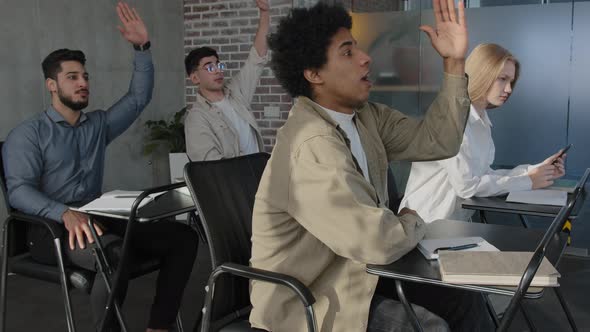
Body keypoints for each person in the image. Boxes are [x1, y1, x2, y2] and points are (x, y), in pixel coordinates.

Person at [249, 1, 494, 331]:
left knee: (465, 296)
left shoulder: (366, 118)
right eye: (347, 52)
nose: (365, 57)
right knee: (425, 326)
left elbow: (438, 141)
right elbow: (376, 242)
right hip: (312, 297)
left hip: (360, 273)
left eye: (358, 47)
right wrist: (410, 219)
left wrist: (454, 62)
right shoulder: (309, 146)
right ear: (313, 74)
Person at [1, 3, 197, 332]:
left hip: (96, 218)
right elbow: (19, 191)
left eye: (85, 77)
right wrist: (65, 213)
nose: (83, 83)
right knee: (113, 255)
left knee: (183, 238)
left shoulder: (97, 125)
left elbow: (138, 98)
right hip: (47, 230)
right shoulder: (28, 134)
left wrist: (142, 48)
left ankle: (159, 327)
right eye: (72, 77)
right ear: (52, 85)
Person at [400, 43, 566, 223]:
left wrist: (537, 171)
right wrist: (529, 181)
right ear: (482, 75)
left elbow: (485, 175)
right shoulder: (452, 120)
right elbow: (468, 187)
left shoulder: (480, 120)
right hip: (426, 225)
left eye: (511, 81)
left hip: (456, 222)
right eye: (502, 79)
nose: (509, 89)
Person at [183, 0, 269, 161]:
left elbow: (256, 59)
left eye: (218, 65)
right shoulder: (197, 118)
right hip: (236, 183)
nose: (217, 70)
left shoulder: (236, 92)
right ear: (195, 78)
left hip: (259, 176)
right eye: (209, 67)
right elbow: (210, 166)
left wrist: (264, 14)